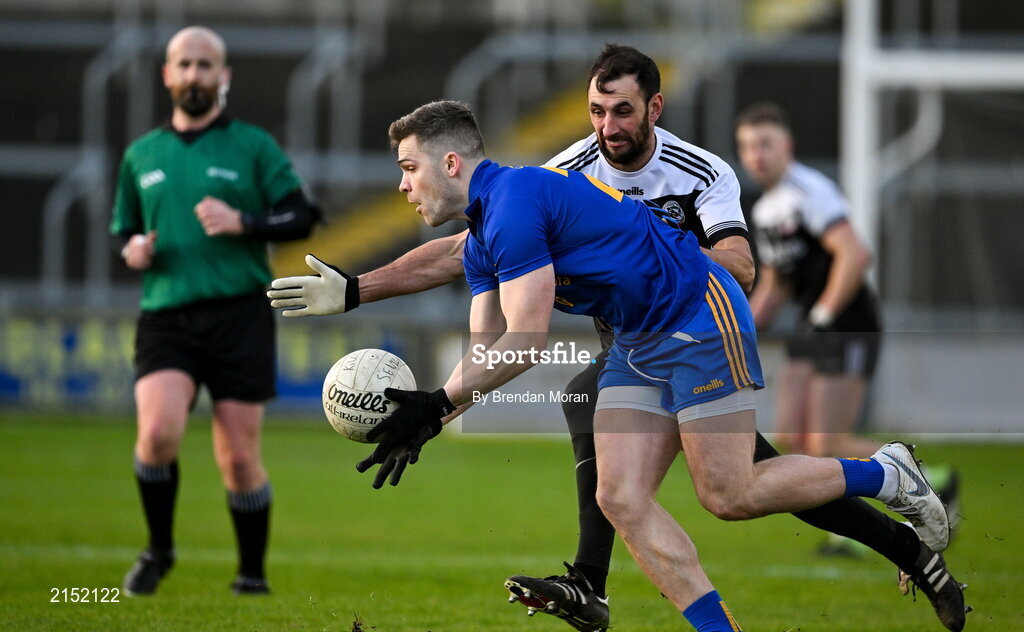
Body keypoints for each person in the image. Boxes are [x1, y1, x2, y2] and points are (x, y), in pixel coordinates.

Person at [268, 47, 967, 632]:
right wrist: (430, 408)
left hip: (695, 309)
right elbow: (486, 348)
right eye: (596, 110)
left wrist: (436, 400)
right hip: (635, 333)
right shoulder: (492, 227)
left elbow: (529, 339)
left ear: (451, 166)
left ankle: (888, 473)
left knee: (729, 491)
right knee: (620, 497)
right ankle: (623, 595)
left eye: (409, 168)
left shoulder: (524, 203)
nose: (400, 186)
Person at [110, 25, 320, 596]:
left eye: (206, 65)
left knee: (240, 460)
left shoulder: (251, 146)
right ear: (168, 75)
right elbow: (125, 230)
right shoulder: (141, 155)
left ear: (223, 76)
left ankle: (251, 575)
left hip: (239, 314)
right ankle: (158, 550)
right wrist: (132, 247)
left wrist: (244, 223)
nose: (195, 75)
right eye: (185, 64)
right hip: (167, 316)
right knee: (156, 434)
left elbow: (302, 215)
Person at [735, 102, 961, 554]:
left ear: (787, 147)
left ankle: (919, 488)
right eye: (747, 147)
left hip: (845, 322)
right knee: (791, 438)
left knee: (827, 440)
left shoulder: (809, 190)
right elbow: (777, 281)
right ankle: (903, 492)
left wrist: (823, 317)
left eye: (766, 144)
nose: (757, 156)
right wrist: (736, 328)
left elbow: (854, 255)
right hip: (813, 323)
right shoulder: (763, 208)